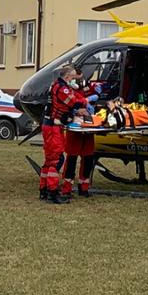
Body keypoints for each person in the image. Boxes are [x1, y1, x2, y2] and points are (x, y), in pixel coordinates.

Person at [40, 65, 86, 204]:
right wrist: (85, 102)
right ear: (67, 76)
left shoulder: (56, 85)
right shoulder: (62, 88)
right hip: (54, 127)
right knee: (57, 159)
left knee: (49, 160)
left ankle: (44, 189)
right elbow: (73, 103)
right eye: (73, 77)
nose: (74, 80)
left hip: (50, 125)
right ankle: (52, 192)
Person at [60, 71, 109, 199]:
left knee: (88, 157)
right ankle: (67, 188)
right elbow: (63, 106)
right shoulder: (66, 90)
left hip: (89, 125)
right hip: (75, 127)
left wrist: (92, 101)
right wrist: (77, 110)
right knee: (72, 158)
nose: (78, 80)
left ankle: (84, 187)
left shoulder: (89, 88)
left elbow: (100, 94)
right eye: (75, 77)